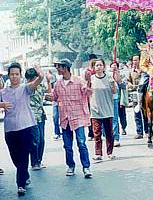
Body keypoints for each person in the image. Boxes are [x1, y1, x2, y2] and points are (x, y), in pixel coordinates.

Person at [0, 62, 44, 196]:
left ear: (20, 76)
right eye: (12, 74)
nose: (14, 77)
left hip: (25, 127)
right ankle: (24, 174)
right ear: (8, 76)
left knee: (24, 156)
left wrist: (39, 73)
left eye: (17, 74)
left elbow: (39, 79)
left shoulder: (25, 88)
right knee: (15, 158)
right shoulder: (3, 92)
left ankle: (20, 185)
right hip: (10, 129)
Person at [52, 58, 92, 178]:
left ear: (65, 68)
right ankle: (71, 166)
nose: (57, 69)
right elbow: (54, 97)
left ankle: (86, 167)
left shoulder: (79, 81)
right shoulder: (57, 84)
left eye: (59, 67)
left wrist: (89, 81)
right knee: (67, 146)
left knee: (81, 143)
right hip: (65, 119)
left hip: (78, 117)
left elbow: (88, 93)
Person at [90, 59, 117, 160]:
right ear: (94, 67)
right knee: (97, 133)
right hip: (95, 110)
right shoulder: (91, 79)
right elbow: (87, 92)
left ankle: (110, 152)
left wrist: (113, 83)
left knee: (109, 133)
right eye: (96, 65)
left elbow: (114, 92)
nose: (98, 67)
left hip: (107, 109)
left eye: (100, 65)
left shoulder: (109, 78)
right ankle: (98, 153)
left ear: (104, 67)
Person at [25, 68, 50, 170]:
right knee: (35, 140)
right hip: (31, 117)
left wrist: (48, 81)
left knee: (42, 140)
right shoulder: (26, 88)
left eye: (33, 78)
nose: (31, 80)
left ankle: (39, 160)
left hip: (41, 115)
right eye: (29, 79)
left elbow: (48, 91)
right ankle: (34, 162)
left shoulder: (40, 86)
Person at [128, 55, 148, 139]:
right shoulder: (131, 71)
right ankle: (139, 132)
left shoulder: (145, 71)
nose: (135, 62)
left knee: (145, 113)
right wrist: (130, 84)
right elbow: (128, 81)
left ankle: (147, 131)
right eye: (134, 60)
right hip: (135, 93)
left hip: (144, 94)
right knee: (136, 113)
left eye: (137, 60)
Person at [110, 62, 127, 146]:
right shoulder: (106, 74)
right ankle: (107, 136)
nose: (114, 67)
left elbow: (122, 84)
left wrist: (116, 73)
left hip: (117, 99)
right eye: (112, 65)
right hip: (106, 99)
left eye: (116, 66)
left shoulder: (121, 75)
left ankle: (116, 138)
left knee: (115, 119)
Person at [84, 53, 97, 141]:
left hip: (98, 95)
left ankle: (97, 132)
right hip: (89, 96)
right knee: (90, 115)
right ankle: (91, 132)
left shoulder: (99, 70)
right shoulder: (86, 71)